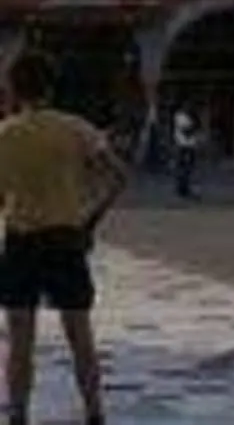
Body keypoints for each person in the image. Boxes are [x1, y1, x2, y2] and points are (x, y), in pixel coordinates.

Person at [0, 51, 127, 425]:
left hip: (21, 241)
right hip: (66, 239)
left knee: (19, 340)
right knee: (79, 335)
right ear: (51, 88)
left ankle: (18, 414)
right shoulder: (76, 129)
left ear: (13, 89)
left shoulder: (5, 134)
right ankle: (94, 412)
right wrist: (90, 218)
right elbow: (118, 176)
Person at [169, 105, 200, 200]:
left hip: (190, 145)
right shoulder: (180, 116)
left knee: (188, 168)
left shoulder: (190, 116)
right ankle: (182, 188)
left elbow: (193, 128)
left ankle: (184, 187)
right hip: (182, 145)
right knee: (183, 168)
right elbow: (186, 129)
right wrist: (192, 127)